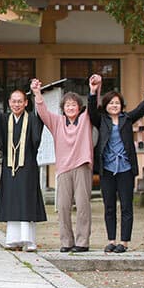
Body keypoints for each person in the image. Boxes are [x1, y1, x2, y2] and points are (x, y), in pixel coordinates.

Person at [89, 74, 144, 253]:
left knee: (126, 207)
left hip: (125, 168)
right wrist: (93, 91)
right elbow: (91, 111)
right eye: (111, 103)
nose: (114, 105)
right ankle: (111, 240)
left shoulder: (127, 118)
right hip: (107, 169)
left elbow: (143, 106)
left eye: (117, 103)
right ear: (106, 106)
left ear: (121, 105)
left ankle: (124, 242)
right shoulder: (101, 120)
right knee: (109, 207)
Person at [30, 77, 96, 253]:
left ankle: (82, 242)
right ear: (63, 108)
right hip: (63, 169)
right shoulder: (58, 122)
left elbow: (93, 105)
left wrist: (93, 90)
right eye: (67, 105)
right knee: (63, 207)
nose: (71, 107)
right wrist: (37, 93)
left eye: (74, 105)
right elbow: (43, 112)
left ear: (79, 107)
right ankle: (66, 242)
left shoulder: (85, 119)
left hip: (82, 166)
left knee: (83, 206)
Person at [0, 87, 46, 252]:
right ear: (9, 102)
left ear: (26, 103)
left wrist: (37, 93)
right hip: (10, 167)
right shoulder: (4, 119)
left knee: (26, 200)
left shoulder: (32, 119)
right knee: (12, 200)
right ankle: (13, 239)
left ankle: (29, 240)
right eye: (14, 101)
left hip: (27, 167)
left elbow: (36, 140)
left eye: (20, 101)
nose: (16, 104)